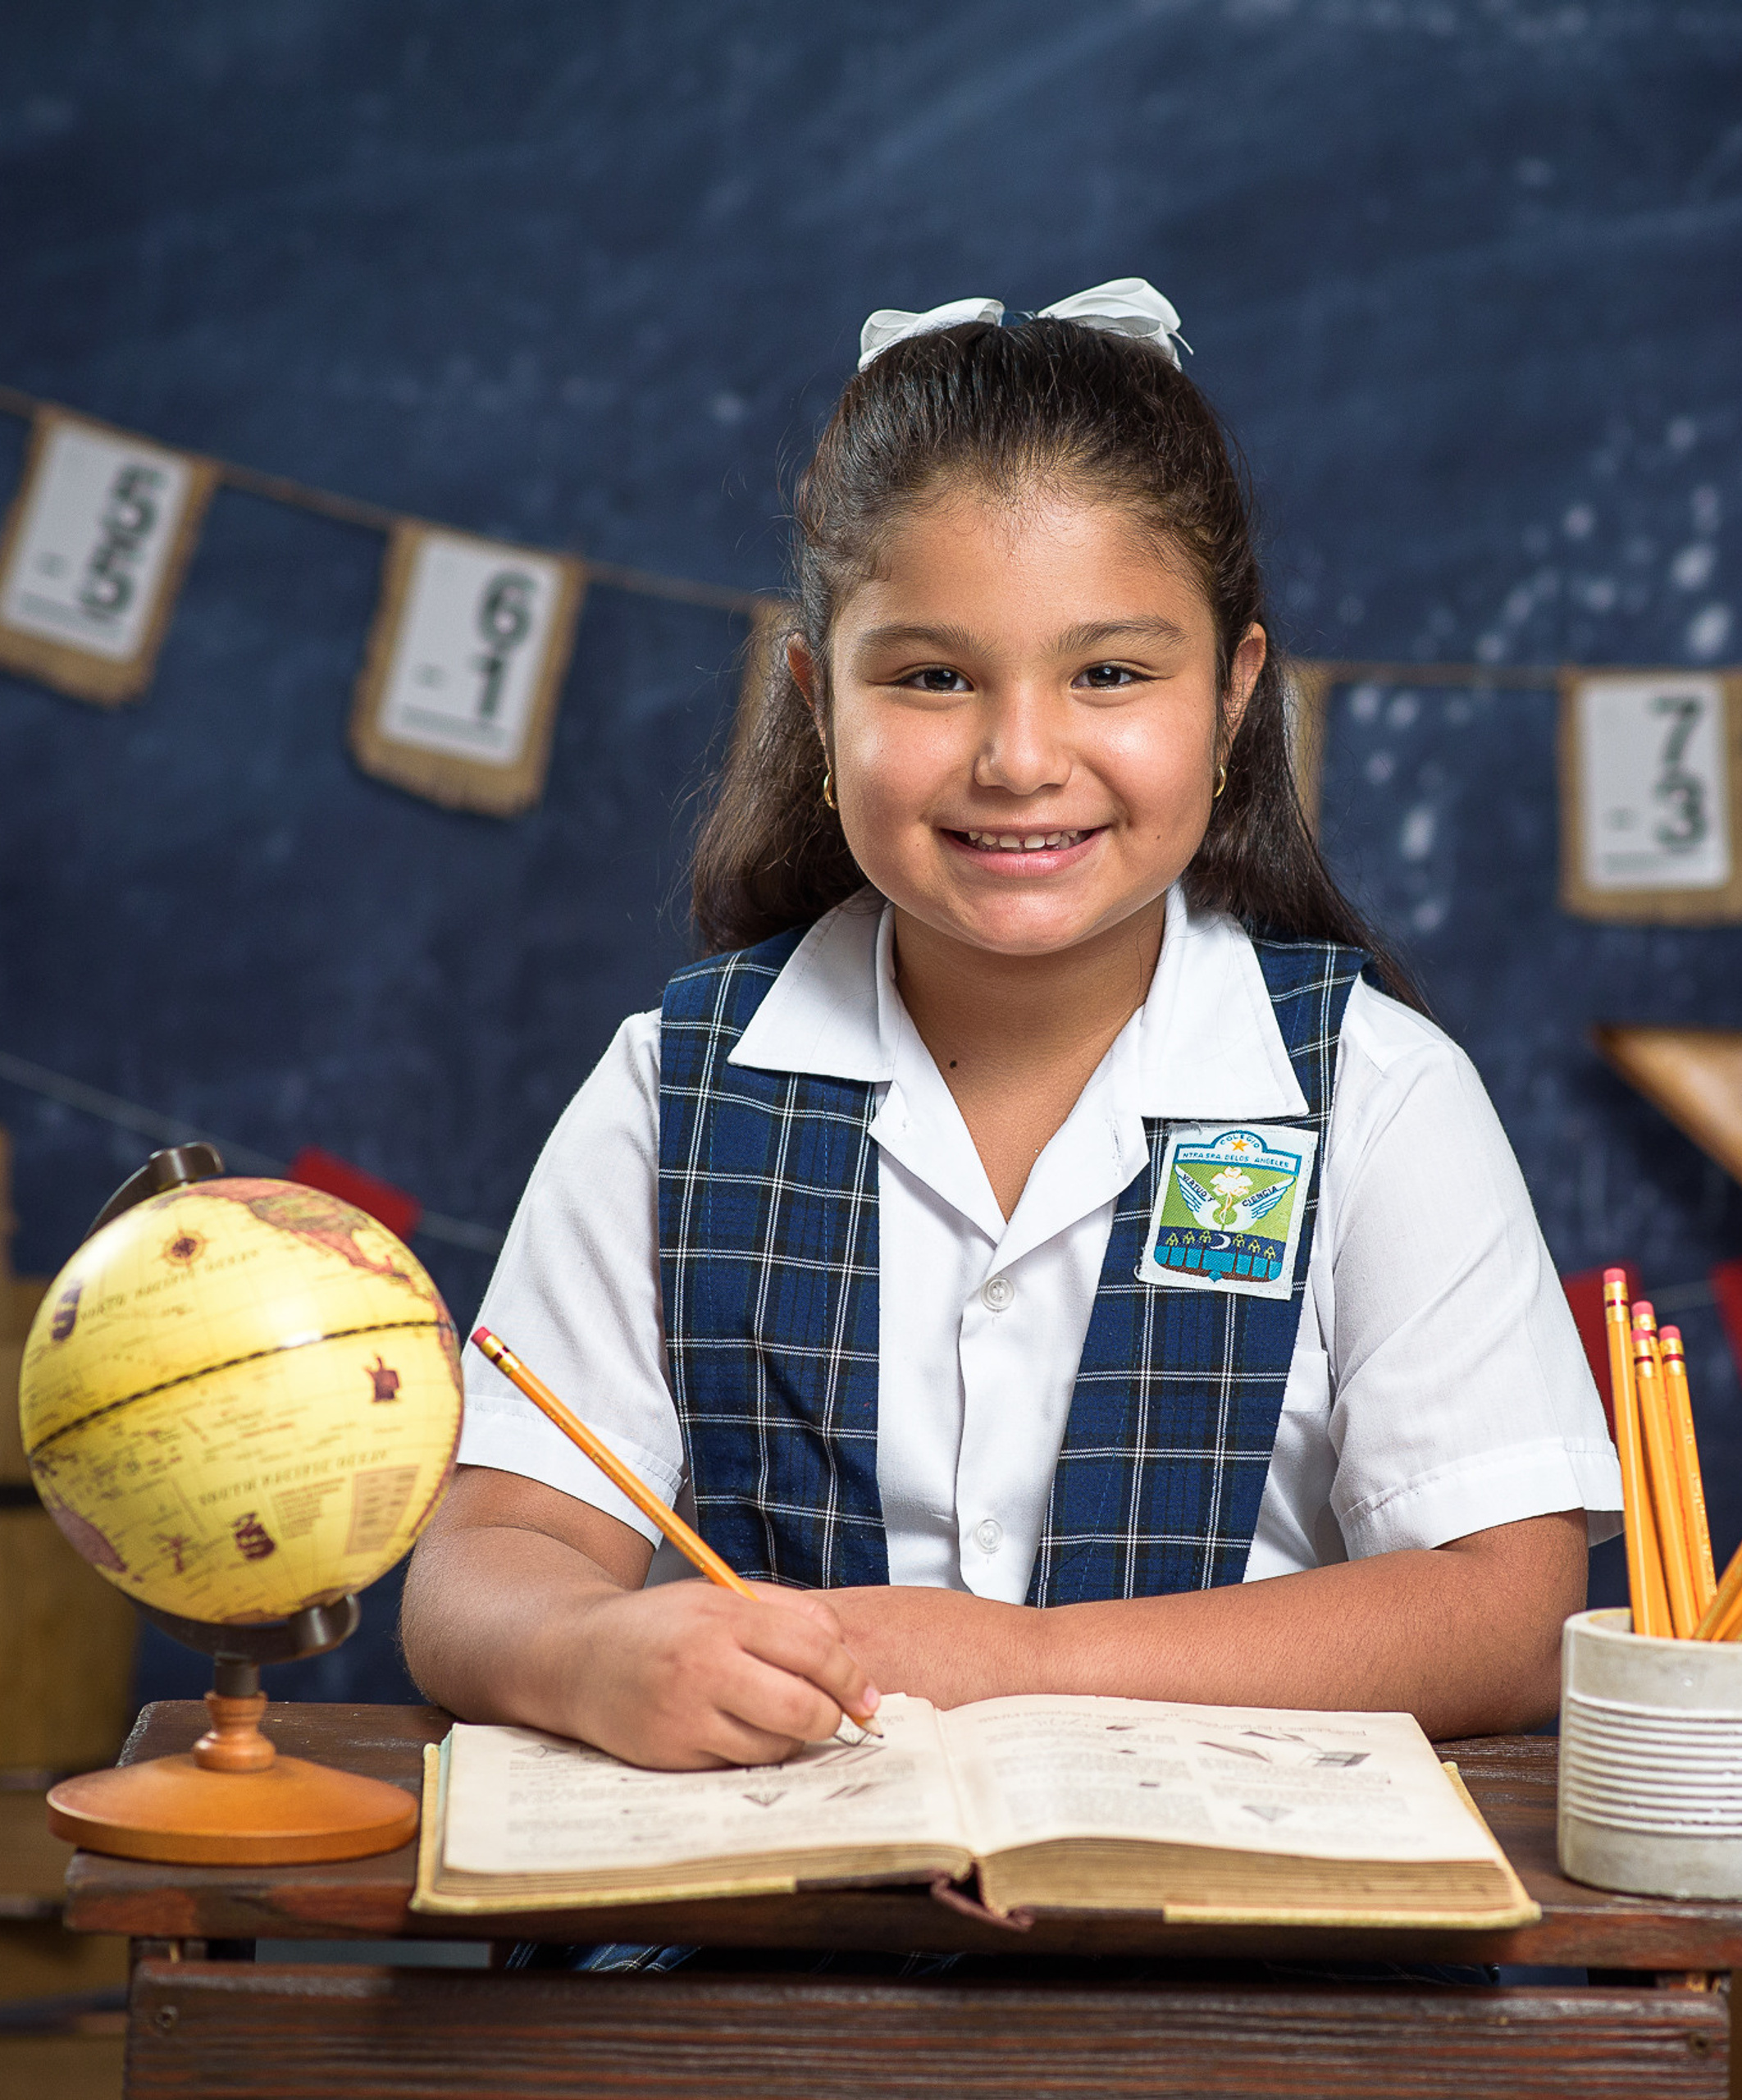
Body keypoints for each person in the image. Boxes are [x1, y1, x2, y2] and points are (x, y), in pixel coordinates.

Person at [401, 279, 1619, 1783]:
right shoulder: (676, 1089)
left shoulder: (1374, 1095)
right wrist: (589, 1650)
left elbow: (1507, 1607)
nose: (1021, 758)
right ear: (812, 699)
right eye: (929, 677)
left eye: (1110, 673)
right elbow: (483, 1560)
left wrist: (1024, 1668)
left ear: (1236, 694)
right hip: (756, 1968)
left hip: (1225, 1970)